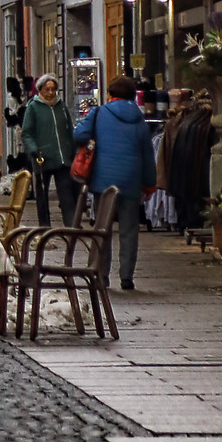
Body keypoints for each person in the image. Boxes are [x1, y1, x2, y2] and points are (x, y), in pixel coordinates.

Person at [71, 74, 157, 290]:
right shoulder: (140, 120)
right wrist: (148, 185)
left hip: (104, 182)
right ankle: (127, 277)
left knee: (103, 229)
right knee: (129, 230)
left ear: (110, 95)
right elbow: (148, 156)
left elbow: (79, 134)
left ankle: (102, 275)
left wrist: (92, 139)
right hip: (131, 181)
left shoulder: (99, 112)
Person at [20, 74, 77, 226]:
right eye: (47, 89)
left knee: (66, 195)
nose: (51, 93)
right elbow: (26, 133)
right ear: (40, 90)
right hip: (42, 158)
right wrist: (33, 149)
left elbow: (69, 129)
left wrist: (73, 150)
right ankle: (44, 226)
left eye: (53, 89)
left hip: (62, 158)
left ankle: (70, 225)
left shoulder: (61, 106)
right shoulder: (33, 107)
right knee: (42, 196)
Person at [4, 74, 30, 171]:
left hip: (16, 125)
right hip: (18, 125)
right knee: (18, 146)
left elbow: (13, 111)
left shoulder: (11, 97)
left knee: (17, 146)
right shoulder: (17, 97)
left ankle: (17, 164)